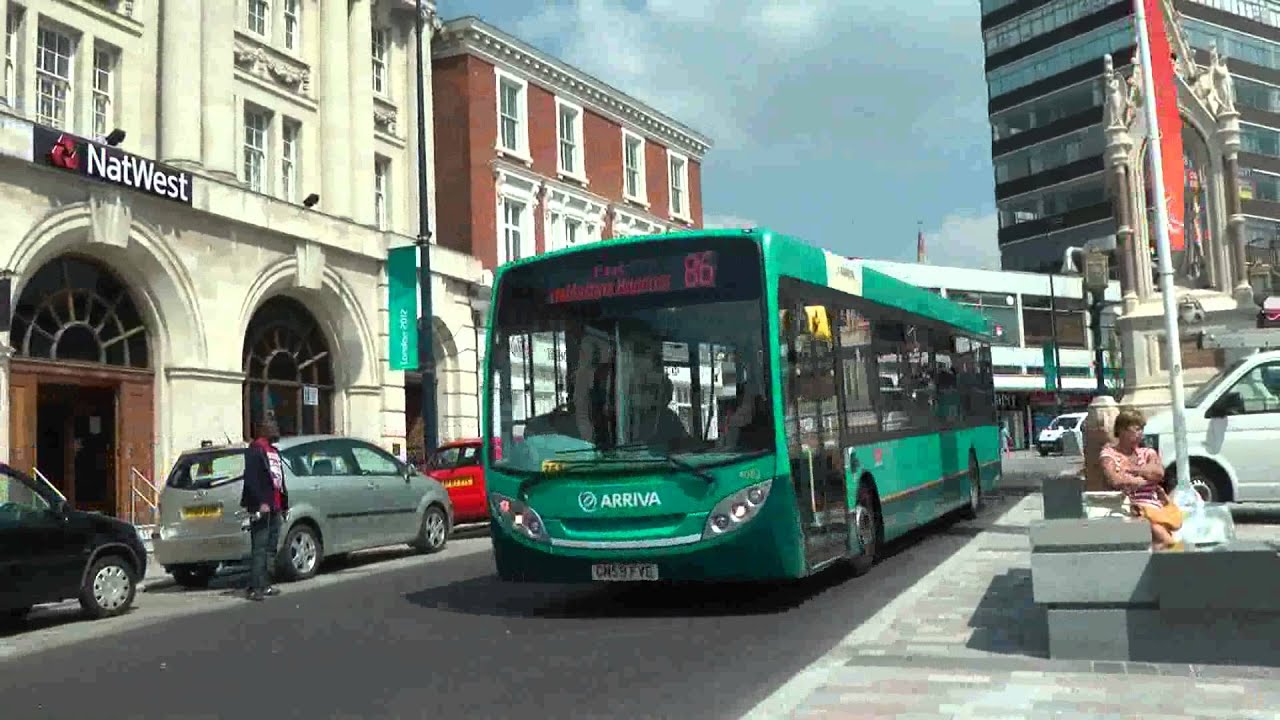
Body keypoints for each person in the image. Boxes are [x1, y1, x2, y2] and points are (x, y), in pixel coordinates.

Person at [1099, 409, 1183, 551]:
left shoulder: (1148, 453)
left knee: (1156, 527)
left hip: (1153, 507)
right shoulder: (1109, 455)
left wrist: (1133, 471)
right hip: (1126, 506)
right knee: (1153, 528)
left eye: (1142, 430)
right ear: (1121, 430)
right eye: (1136, 430)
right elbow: (1115, 480)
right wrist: (1145, 479)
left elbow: (1158, 473)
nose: (1140, 434)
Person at [241, 418, 288, 600]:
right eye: (272, 427)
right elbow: (252, 479)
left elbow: (279, 480)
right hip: (263, 506)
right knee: (259, 547)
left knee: (271, 547)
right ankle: (255, 588)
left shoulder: (274, 451)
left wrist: (284, 504)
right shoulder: (255, 450)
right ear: (263, 430)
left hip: (276, 505)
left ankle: (266, 584)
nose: (276, 429)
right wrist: (261, 502)